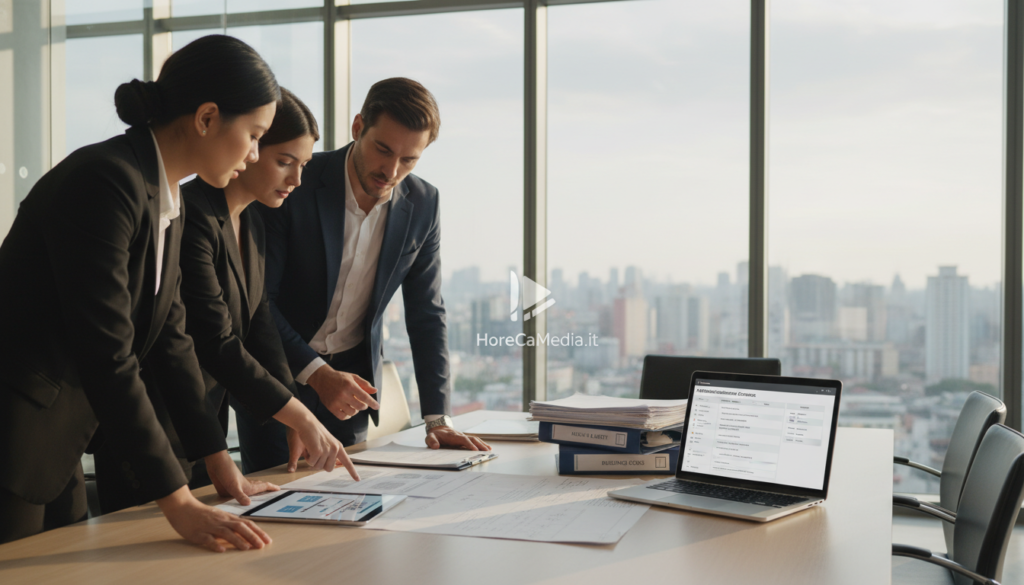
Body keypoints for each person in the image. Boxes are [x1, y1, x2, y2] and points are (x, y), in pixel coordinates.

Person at [0, 35, 279, 552]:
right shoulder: (106, 182)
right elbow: (108, 351)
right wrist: (179, 503)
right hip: (16, 433)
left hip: (59, 437)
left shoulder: (165, 196)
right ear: (207, 117)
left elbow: (171, 342)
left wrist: (219, 465)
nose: (256, 154)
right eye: (255, 135)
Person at [252, 77, 491, 461]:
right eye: (383, 149)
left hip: (352, 386)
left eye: (409, 159)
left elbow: (427, 313)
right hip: (275, 375)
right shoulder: (297, 181)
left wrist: (437, 419)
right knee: (272, 502)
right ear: (358, 127)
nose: (391, 170)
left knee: (348, 506)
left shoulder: (424, 203)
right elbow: (260, 300)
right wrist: (317, 374)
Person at [177, 88, 358, 478]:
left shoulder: (254, 220)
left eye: (304, 165)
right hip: (166, 414)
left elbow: (260, 323)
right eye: (285, 162)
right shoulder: (191, 214)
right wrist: (301, 417)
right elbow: (216, 339)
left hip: (207, 417)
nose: (296, 179)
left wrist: (292, 413)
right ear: (252, 148)